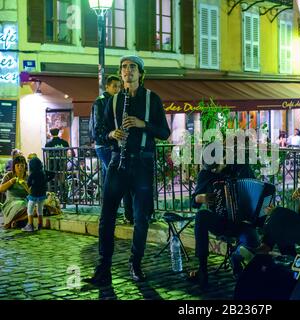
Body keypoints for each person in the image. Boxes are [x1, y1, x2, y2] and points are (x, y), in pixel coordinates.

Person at [84, 55, 170, 287]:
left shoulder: (153, 99)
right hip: (117, 162)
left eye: (133, 67)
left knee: (141, 218)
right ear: (121, 73)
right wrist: (111, 134)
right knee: (106, 217)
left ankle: (135, 264)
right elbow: (100, 133)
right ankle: (103, 268)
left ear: (141, 73)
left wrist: (143, 125)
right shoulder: (113, 101)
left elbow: (165, 132)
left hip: (142, 164)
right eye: (124, 68)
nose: (128, 71)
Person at [188, 156, 258, 289]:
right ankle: (202, 269)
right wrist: (200, 198)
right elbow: (194, 203)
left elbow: (256, 191)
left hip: (243, 223)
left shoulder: (241, 169)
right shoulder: (205, 174)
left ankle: (236, 258)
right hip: (221, 221)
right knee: (201, 216)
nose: (213, 171)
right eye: (211, 168)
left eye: (216, 167)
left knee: (251, 242)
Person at [89, 75, 121, 183]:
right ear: (107, 87)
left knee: (108, 174)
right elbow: (98, 125)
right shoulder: (101, 102)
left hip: (107, 143)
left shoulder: (113, 100)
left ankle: (106, 198)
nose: (117, 89)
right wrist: (108, 135)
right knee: (113, 175)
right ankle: (110, 198)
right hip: (105, 144)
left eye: (119, 87)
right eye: (114, 86)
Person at [22, 157, 52, 232]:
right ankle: (40, 225)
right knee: (40, 209)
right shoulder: (43, 172)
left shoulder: (32, 174)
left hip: (34, 195)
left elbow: (28, 185)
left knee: (30, 209)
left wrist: (23, 183)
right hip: (42, 194)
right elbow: (53, 174)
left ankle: (30, 225)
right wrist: (46, 180)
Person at [1, 156, 29, 229]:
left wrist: (25, 185)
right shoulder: (9, 175)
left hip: (24, 200)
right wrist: (11, 182)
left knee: (35, 208)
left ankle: (15, 221)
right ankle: (10, 222)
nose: (20, 167)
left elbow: (32, 193)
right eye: (17, 165)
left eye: (22, 165)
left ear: (25, 166)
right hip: (11, 202)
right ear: (14, 167)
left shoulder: (28, 177)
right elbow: (1, 189)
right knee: (22, 205)